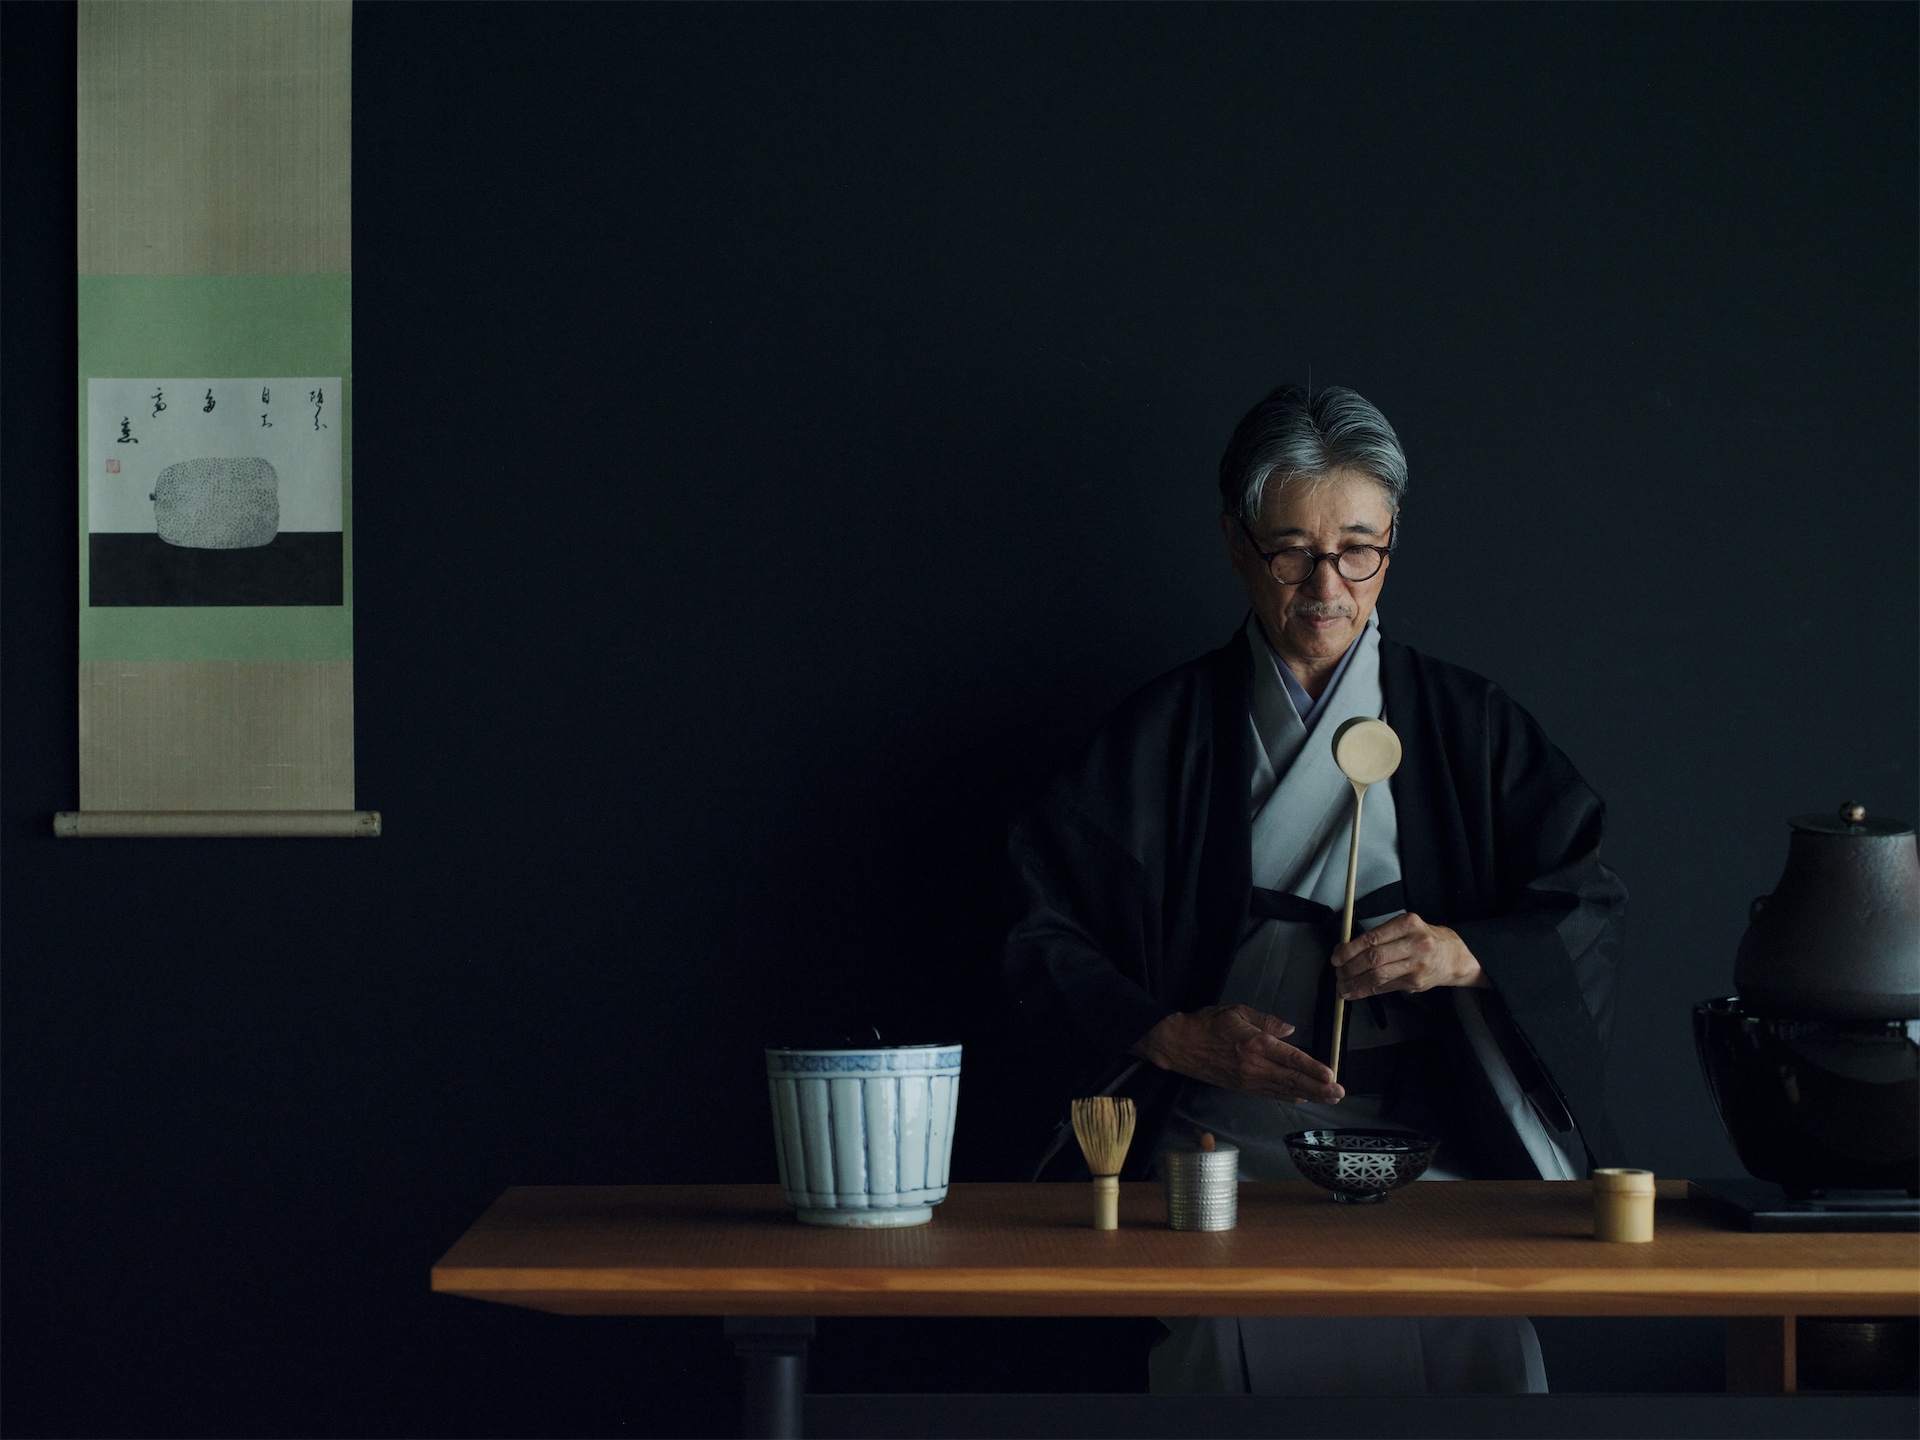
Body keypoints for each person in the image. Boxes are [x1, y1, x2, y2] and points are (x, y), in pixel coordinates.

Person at [1003, 384, 1627, 1395]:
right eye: (1291, 550)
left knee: (1488, 1351)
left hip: (1429, 1144)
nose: (1327, 585)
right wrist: (1168, 1033)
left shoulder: (1471, 727)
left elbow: (1586, 902)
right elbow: (1040, 929)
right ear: (1237, 543)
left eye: (1359, 549)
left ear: (1393, 542)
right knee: (1224, 1347)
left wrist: (1461, 954)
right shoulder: (1158, 738)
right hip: (1224, 1146)